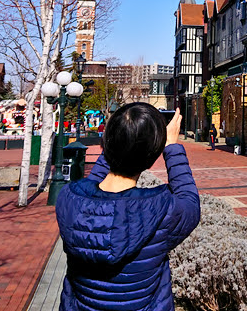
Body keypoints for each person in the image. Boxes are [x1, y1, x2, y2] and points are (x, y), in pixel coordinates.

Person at [56, 104, 200, 311]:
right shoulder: (162, 211)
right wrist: (171, 147)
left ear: (105, 144)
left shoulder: (69, 199)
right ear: (152, 156)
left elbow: (92, 184)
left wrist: (117, 142)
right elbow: (189, 199)